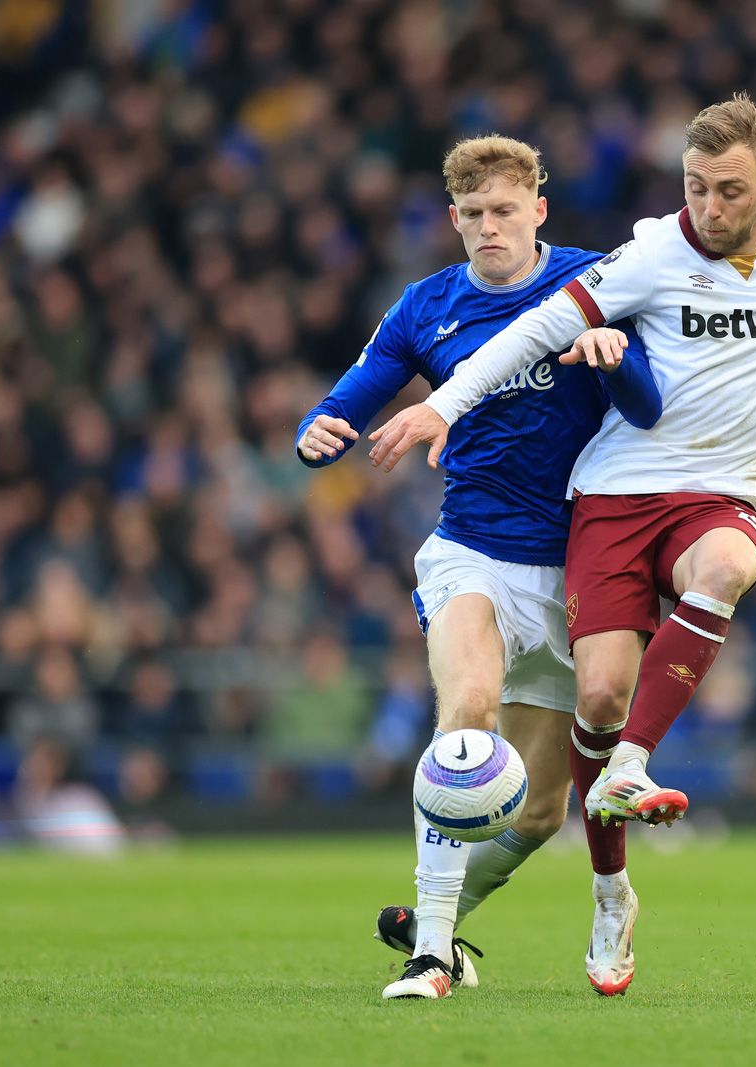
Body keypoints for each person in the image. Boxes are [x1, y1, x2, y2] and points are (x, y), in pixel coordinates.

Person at [366, 94, 756, 995]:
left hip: (720, 494)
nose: (708, 207)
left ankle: (631, 762)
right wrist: (442, 401)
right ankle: (610, 887)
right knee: (599, 695)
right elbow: (534, 332)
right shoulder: (653, 254)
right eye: (695, 188)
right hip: (615, 497)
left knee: (729, 566)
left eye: (728, 191)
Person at [295, 135, 661, 1000]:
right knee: (467, 712)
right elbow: (347, 401)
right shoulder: (425, 308)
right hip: (475, 553)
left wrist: (615, 364)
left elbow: (647, 407)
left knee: (536, 811)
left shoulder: (600, 283)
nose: (489, 228)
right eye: (473, 216)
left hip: (582, 572)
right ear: (453, 221)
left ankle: (446, 930)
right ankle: (428, 953)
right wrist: (318, 432)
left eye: (505, 211)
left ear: (538, 210)